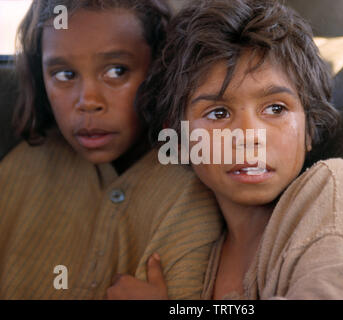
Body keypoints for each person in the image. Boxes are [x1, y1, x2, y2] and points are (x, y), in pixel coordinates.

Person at [117, 0, 343, 299]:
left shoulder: (332, 192)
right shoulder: (196, 248)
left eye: (276, 108)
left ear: (308, 127)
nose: (250, 136)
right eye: (218, 114)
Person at [0, 0, 222, 300]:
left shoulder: (193, 190)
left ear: (160, 69)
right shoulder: (20, 169)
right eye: (65, 75)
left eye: (117, 71)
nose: (88, 100)